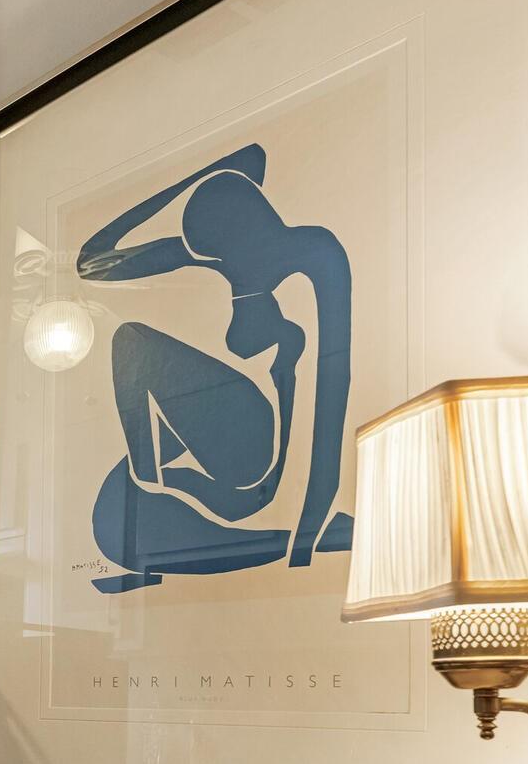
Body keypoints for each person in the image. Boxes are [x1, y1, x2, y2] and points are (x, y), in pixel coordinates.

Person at [76, 142, 355, 594]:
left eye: (219, 258)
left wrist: (303, 541)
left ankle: (158, 492)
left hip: (268, 463)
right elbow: (93, 259)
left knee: (132, 342)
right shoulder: (219, 254)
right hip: (227, 463)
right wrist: (204, 175)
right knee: (112, 516)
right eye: (212, 260)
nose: (217, 268)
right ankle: (152, 492)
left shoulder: (314, 254)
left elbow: (332, 389)